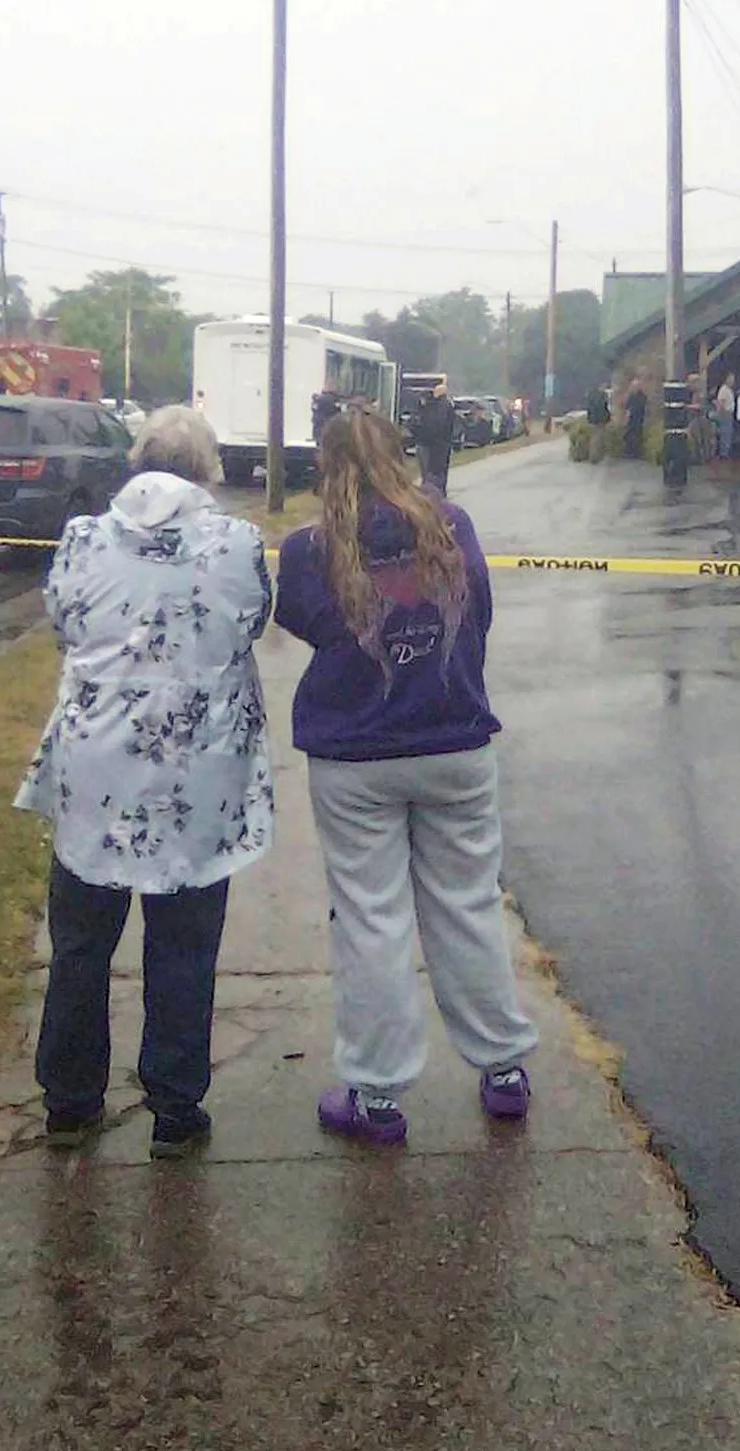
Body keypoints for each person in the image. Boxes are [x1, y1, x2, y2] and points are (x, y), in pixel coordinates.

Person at [14, 406, 274, 1160]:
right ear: (208, 469)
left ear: (137, 461)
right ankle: (174, 1108)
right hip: (198, 774)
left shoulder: (82, 539)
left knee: (81, 942)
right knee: (184, 946)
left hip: (96, 771)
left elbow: (63, 623)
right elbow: (252, 624)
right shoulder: (237, 544)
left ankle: (69, 1102)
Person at [274, 410, 539, 1147]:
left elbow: (304, 622)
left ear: (326, 465)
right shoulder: (452, 527)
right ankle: (504, 1068)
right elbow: (479, 611)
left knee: (371, 920)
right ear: (402, 454)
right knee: (469, 904)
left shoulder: (310, 549)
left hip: (355, 752)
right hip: (455, 739)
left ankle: (378, 1094)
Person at [411, 381, 458, 493]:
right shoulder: (444, 406)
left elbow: (436, 424)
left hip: (433, 443)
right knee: (439, 470)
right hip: (440, 443)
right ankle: (438, 490)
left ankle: (433, 491)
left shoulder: (439, 406)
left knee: (431, 470)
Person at [621, 380, 648, 460]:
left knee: (637, 435)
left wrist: (632, 411)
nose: (634, 388)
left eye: (635, 386)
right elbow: (627, 406)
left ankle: (636, 452)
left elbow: (641, 407)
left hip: (638, 419)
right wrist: (627, 415)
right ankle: (629, 452)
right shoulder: (631, 396)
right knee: (628, 435)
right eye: (633, 386)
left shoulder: (642, 396)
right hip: (631, 419)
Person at [714, 374, 737, 461]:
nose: (733, 381)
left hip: (729, 413)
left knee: (728, 434)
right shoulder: (724, 390)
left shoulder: (729, 390)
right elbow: (721, 402)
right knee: (725, 433)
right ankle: (723, 454)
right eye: (731, 379)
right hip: (725, 414)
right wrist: (720, 413)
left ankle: (725, 452)